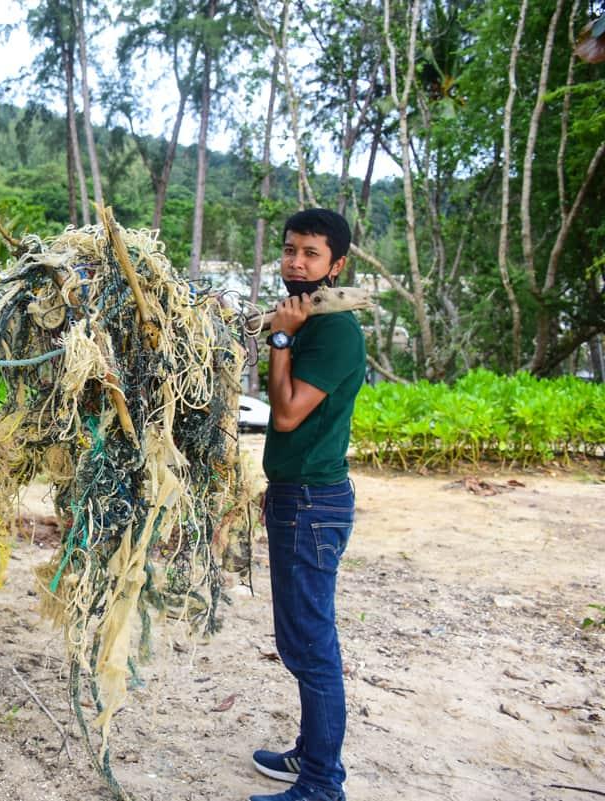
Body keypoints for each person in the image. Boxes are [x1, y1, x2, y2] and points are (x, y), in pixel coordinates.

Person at [250, 208, 365, 801]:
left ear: (336, 265)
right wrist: (285, 332)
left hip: (313, 504)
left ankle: (323, 782)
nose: (296, 261)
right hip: (299, 497)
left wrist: (280, 339)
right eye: (290, 250)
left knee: (311, 646)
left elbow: (288, 411)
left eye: (311, 254)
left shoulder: (335, 330)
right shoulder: (308, 318)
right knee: (300, 639)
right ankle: (309, 756)